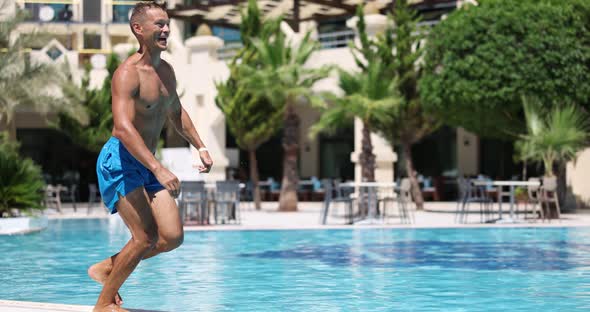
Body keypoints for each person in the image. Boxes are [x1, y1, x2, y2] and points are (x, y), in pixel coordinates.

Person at [87, 2, 213, 311]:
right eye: (159, 24)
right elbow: (122, 128)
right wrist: (158, 168)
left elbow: (176, 112)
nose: (166, 29)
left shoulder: (166, 71)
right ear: (138, 29)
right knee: (143, 237)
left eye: (167, 23)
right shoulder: (126, 74)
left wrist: (201, 145)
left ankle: (106, 268)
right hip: (120, 160)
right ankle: (103, 305)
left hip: (145, 162)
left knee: (171, 236)